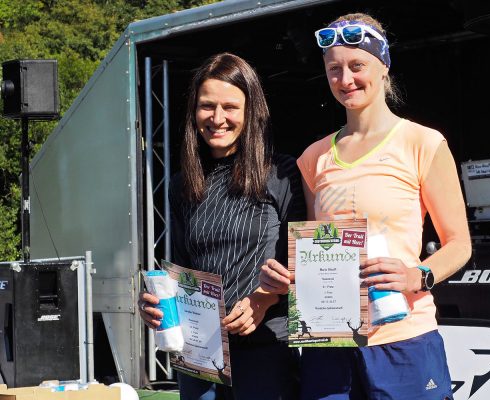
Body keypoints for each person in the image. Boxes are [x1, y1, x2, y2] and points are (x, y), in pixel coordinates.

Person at [260, 13, 472, 400]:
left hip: (402, 337)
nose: (346, 80)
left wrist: (418, 275)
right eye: (334, 69)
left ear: (383, 66)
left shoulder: (422, 142)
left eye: (357, 66)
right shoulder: (314, 157)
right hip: (331, 341)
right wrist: (294, 279)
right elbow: (318, 248)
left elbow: (459, 243)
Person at [138, 53, 305, 400]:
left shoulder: (283, 173)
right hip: (199, 354)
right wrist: (156, 303)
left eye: (230, 106)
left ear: (250, 111)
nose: (217, 118)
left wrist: (264, 298)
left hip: (266, 350)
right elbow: (182, 271)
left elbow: (304, 262)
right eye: (206, 106)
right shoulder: (182, 185)